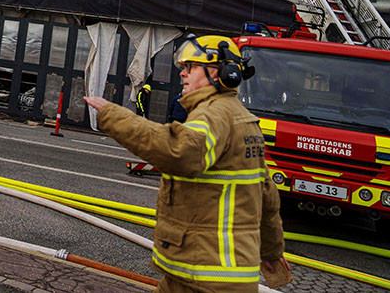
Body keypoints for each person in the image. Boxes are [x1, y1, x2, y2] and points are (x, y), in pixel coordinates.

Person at [85, 35, 289, 292]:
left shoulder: (213, 115)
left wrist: (114, 117)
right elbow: (267, 197)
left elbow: (179, 152)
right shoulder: (243, 119)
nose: (183, 73)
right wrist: (271, 251)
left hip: (207, 276)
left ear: (221, 73)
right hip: (205, 274)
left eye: (191, 67)